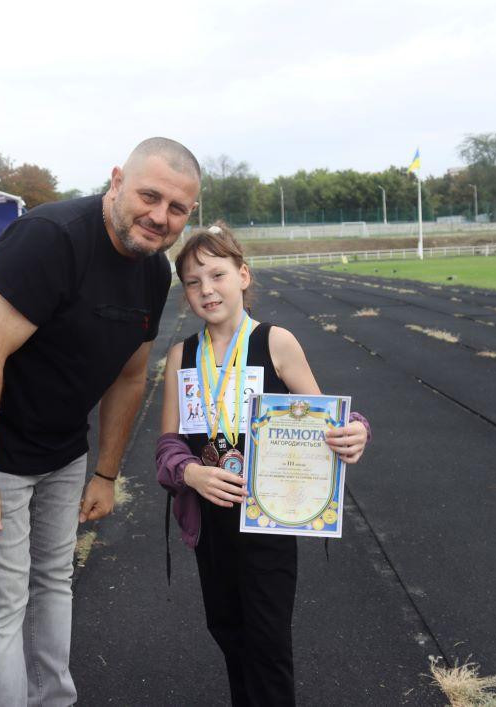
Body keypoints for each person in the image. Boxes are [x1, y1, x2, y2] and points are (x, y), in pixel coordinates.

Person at [0, 137, 201, 705]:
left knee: (53, 580)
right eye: (150, 196)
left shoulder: (154, 272)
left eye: (177, 208)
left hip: (63, 444)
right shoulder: (51, 239)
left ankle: (53, 699)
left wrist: (104, 473)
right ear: (117, 180)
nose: (159, 216)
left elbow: (130, 376)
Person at [155, 223, 370, 706]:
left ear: (243, 275)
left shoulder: (276, 342)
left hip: (267, 519)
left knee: (268, 643)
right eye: (193, 281)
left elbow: (324, 416)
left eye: (217, 274)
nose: (207, 289)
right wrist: (190, 472)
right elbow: (168, 447)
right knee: (229, 633)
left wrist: (355, 429)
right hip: (209, 521)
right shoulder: (180, 356)